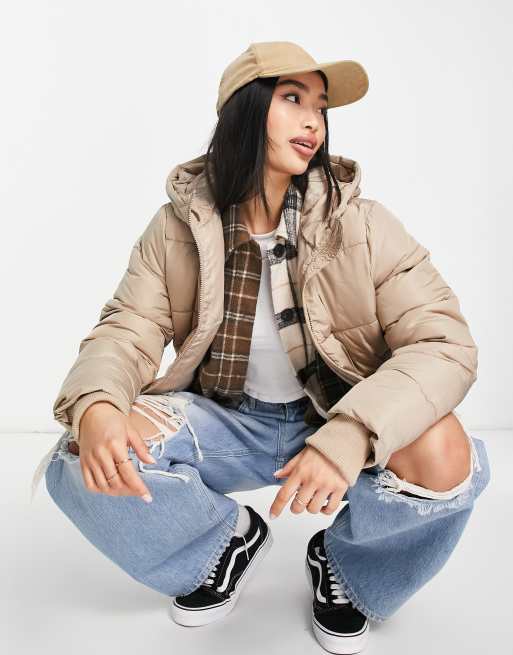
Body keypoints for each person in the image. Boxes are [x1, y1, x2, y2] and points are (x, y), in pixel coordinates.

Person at [32, 41, 490, 654]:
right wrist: (96, 404)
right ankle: (222, 545)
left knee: (444, 451)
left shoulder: (364, 224)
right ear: (244, 112)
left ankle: (348, 570)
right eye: (293, 99)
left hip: (332, 416)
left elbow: (444, 344)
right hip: (225, 419)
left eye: (320, 107)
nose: (313, 121)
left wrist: (354, 432)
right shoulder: (176, 226)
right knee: (86, 449)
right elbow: (127, 327)